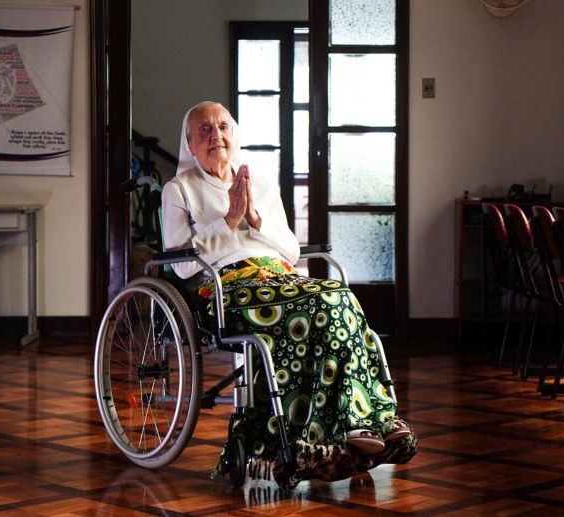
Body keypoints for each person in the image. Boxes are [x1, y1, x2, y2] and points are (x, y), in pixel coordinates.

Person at [161, 101, 414, 486]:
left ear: (235, 134)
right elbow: (181, 264)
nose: (216, 136)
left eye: (223, 127)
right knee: (324, 300)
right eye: (205, 130)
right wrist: (229, 219)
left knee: (337, 296)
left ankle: (370, 419)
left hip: (278, 278)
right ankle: (350, 423)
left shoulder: (258, 181)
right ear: (190, 144)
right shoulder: (179, 189)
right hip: (227, 289)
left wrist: (255, 218)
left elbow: (291, 250)